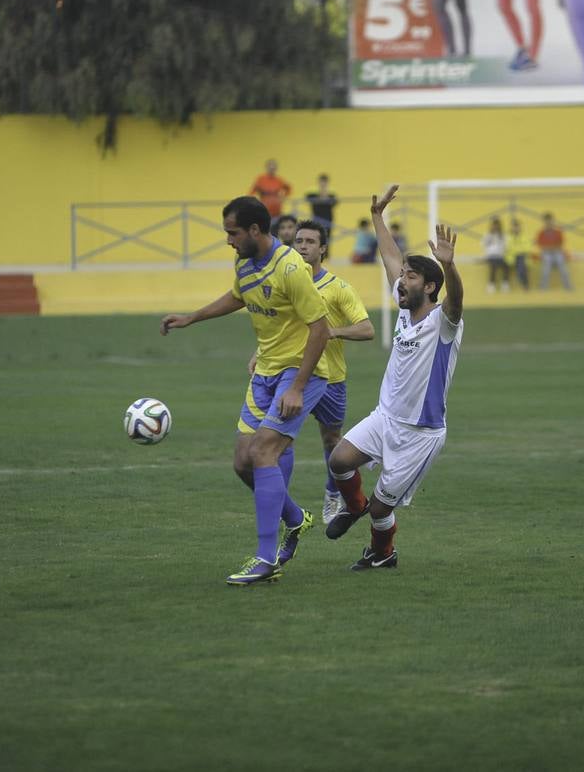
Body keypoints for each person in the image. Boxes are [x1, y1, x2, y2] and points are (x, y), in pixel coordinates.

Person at [160, 196, 330, 585]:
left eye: (232, 233)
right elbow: (238, 296)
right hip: (265, 371)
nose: (228, 240)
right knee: (242, 462)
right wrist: (191, 317)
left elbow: (319, 329)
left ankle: (266, 558)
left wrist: (298, 387)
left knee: (263, 451)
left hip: (299, 371)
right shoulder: (245, 261)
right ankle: (295, 518)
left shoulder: (290, 268)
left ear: (255, 230)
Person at [325, 185, 465, 571]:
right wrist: (377, 218)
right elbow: (389, 257)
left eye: (411, 276)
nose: (402, 281)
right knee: (339, 461)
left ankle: (382, 553)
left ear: (430, 286)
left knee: (381, 509)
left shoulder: (444, 323)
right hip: (385, 417)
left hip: (420, 433)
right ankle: (353, 505)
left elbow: (457, 300)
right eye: (403, 276)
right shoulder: (405, 309)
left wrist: (450, 265)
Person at [280, 220, 374, 525]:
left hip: (331, 379)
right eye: (299, 241)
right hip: (293, 376)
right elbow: (278, 326)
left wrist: (331, 332)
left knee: (332, 442)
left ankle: (333, 493)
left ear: (323, 249)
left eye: (309, 241)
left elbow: (367, 329)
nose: (303, 246)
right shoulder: (288, 283)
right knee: (280, 438)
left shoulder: (338, 288)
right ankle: (280, 502)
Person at [536, 213, 573, 291]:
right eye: (547, 221)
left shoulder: (558, 232)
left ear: (553, 221)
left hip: (557, 252)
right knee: (546, 268)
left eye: (550, 221)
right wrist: (551, 248)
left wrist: (550, 248)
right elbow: (541, 246)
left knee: (563, 267)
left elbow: (560, 244)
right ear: (544, 222)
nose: (549, 223)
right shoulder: (541, 233)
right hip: (546, 253)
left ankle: (568, 287)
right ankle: (543, 288)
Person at [482, 217, 508, 292]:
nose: (495, 227)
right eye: (494, 225)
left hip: (500, 256)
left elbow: (505, 246)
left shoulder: (503, 236)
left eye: (497, 225)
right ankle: (491, 284)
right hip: (491, 256)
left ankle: (505, 283)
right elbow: (484, 245)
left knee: (506, 265)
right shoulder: (488, 235)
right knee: (493, 265)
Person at [507, 217, 530, 290]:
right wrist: (517, 251)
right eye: (514, 226)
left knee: (521, 264)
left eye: (517, 226)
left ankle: (524, 283)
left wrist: (517, 251)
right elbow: (507, 247)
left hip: (521, 256)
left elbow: (527, 248)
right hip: (510, 257)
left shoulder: (524, 237)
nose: (516, 228)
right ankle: (506, 284)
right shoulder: (508, 237)